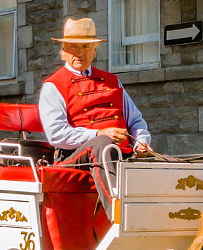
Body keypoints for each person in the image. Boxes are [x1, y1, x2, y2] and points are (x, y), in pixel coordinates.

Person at [36, 16, 154, 209]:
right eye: (73, 47)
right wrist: (98, 134)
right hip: (72, 157)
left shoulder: (112, 81)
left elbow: (136, 121)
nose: (79, 53)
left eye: (85, 47)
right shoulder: (53, 85)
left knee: (160, 161)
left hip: (119, 153)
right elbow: (56, 134)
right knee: (102, 144)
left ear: (95, 50)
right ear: (63, 51)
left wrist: (141, 144)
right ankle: (118, 212)